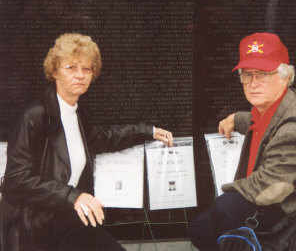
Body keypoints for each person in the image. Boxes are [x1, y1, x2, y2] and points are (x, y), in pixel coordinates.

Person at [0, 33, 174, 251]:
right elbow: (15, 181)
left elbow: (99, 138)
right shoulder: (34, 116)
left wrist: (146, 131)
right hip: (35, 226)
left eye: (87, 69)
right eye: (71, 68)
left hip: (69, 219)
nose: (80, 75)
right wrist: (72, 196)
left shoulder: (78, 112)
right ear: (54, 71)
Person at [188, 32, 296, 250]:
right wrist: (237, 119)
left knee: (224, 208)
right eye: (248, 75)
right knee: (201, 229)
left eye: (263, 74)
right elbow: (265, 124)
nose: (254, 84)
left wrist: (224, 191)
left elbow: (265, 186)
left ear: (284, 77)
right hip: (284, 196)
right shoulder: (275, 106)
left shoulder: (294, 130)